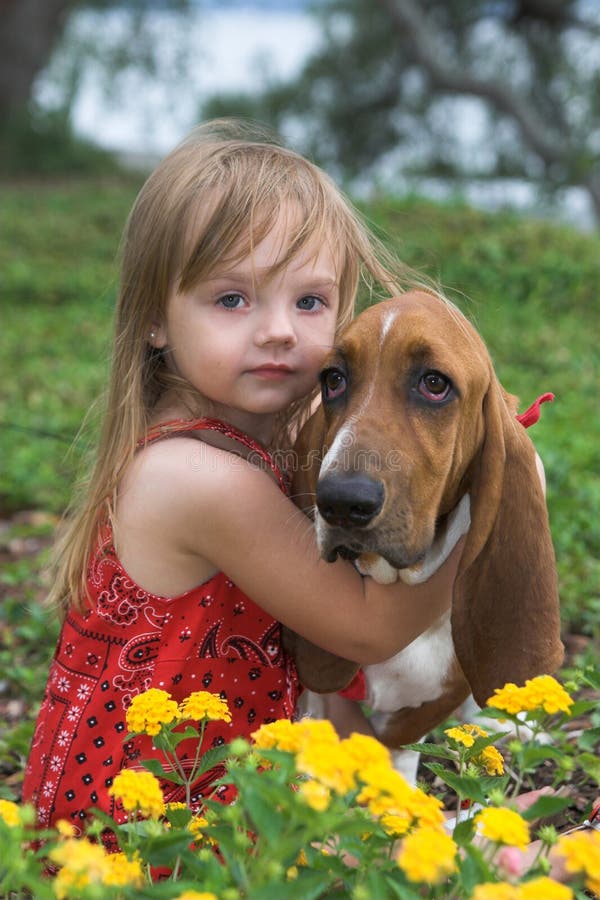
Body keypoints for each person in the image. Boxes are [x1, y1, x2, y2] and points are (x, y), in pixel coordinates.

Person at [21, 119, 461, 838]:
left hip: (205, 803)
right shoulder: (196, 478)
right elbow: (367, 630)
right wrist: (479, 522)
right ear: (155, 321)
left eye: (310, 302)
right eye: (233, 300)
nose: (281, 331)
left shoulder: (278, 433)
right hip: (145, 840)